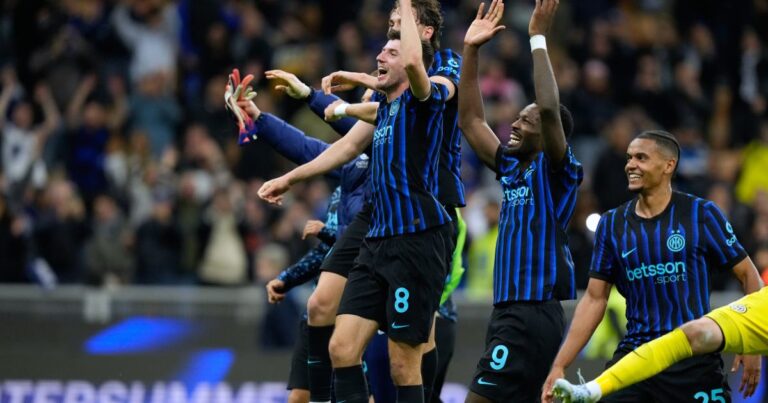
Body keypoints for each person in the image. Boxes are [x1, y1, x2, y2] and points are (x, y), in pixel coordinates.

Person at [258, 1, 452, 400]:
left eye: (394, 44)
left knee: (404, 363)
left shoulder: (425, 96)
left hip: (416, 236)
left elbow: (416, 67)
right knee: (341, 347)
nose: (382, 51)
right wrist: (289, 178)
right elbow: (341, 148)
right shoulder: (383, 108)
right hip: (377, 235)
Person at [541, 130, 763, 403]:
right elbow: (595, 298)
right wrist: (559, 364)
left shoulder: (701, 214)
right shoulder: (611, 225)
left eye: (641, 157)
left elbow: (748, 276)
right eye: (629, 158)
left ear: (668, 165)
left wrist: (752, 347)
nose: (630, 165)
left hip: (693, 363)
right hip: (637, 358)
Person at [458, 1, 583, 401]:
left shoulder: (558, 171)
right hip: (509, 311)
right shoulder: (512, 168)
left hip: (531, 312)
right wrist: (471, 50)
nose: (515, 123)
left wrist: (537, 37)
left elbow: (549, 108)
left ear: (547, 134)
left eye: (526, 122)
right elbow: (471, 122)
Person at [552, 285, 768, 403]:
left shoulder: (703, 217)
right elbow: (696, 334)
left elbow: (745, 270)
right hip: (640, 362)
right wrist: (594, 388)